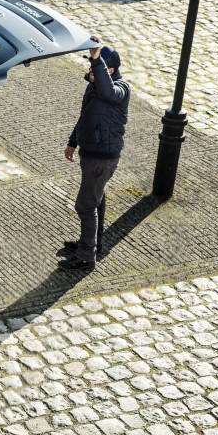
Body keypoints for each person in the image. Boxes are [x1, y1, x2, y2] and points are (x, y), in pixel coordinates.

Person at [58, 38, 130, 271]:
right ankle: (92, 244)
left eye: (95, 67)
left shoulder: (120, 90)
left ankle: (86, 257)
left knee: (85, 206)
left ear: (110, 70)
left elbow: (108, 92)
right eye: (90, 65)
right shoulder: (93, 86)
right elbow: (85, 117)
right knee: (95, 200)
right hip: (91, 154)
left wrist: (97, 59)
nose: (90, 70)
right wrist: (73, 142)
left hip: (102, 159)